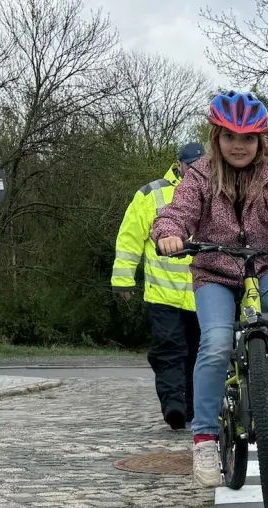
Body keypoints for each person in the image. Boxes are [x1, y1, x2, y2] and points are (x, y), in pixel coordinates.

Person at [152, 91, 268, 487]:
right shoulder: (198, 174)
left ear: (260, 142)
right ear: (216, 137)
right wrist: (169, 233)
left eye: (248, 138)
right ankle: (205, 439)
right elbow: (176, 212)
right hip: (213, 271)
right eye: (230, 136)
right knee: (214, 343)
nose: (239, 145)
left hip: (260, 265)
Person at [113, 142, 204, 429]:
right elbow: (130, 238)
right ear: (179, 165)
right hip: (164, 294)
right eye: (191, 166)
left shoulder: (216, 192)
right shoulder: (151, 194)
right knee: (170, 350)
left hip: (204, 292)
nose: (195, 173)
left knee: (200, 352)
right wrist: (123, 279)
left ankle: (191, 407)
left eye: (201, 167)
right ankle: (174, 405)